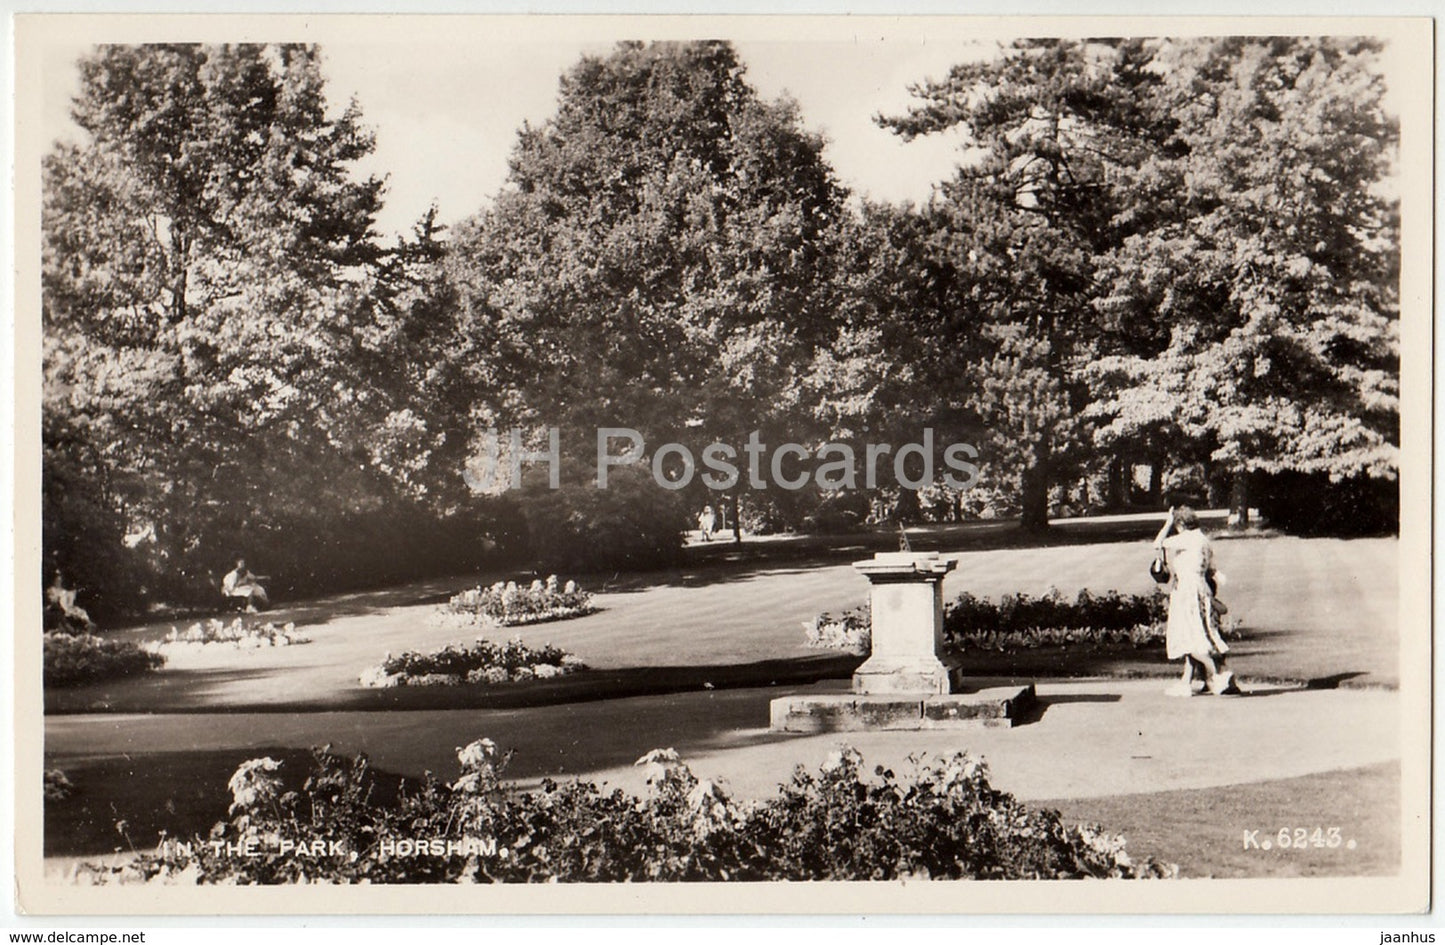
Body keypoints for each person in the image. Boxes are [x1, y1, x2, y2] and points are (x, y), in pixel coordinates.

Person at [1153, 506, 1239, 695]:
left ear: (1181, 524)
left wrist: (1168, 522)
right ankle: (1188, 682)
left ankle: (1219, 674)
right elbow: (1211, 569)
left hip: (1186, 591)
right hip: (1201, 589)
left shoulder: (1187, 538)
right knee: (1200, 633)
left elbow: (1158, 543)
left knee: (1187, 637)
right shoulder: (1204, 540)